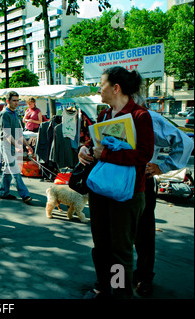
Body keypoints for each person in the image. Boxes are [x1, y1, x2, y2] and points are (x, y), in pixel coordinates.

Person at [78, 66, 154, 299]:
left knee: (120, 250)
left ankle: (120, 292)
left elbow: (144, 155)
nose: (99, 89)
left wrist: (106, 155)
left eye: (102, 84)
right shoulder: (103, 115)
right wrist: (85, 149)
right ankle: (103, 284)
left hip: (127, 193)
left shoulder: (140, 116)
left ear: (116, 87)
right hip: (100, 189)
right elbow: (94, 144)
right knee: (100, 244)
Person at [131, 94, 194, 297]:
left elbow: (184, 143)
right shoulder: (109, 115)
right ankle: (119, 280)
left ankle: (144, 277)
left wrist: (162, 167)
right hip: (113, 184)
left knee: (144, 234)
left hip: (141, 181)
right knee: (118, 239)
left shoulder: (148, 117)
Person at [0, 91, 33, 203]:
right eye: (14, 100)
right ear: (8, 101)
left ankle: (3, 193)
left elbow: (19, 133)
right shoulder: (4, 114)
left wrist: (27, 146)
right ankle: (25, 195)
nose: (16, 103)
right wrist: (18, 145)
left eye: (17, 100)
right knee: (15, 170)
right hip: (6, 145)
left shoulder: (15, 113)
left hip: (12, 145)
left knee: (8, 169)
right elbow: (7, 134)